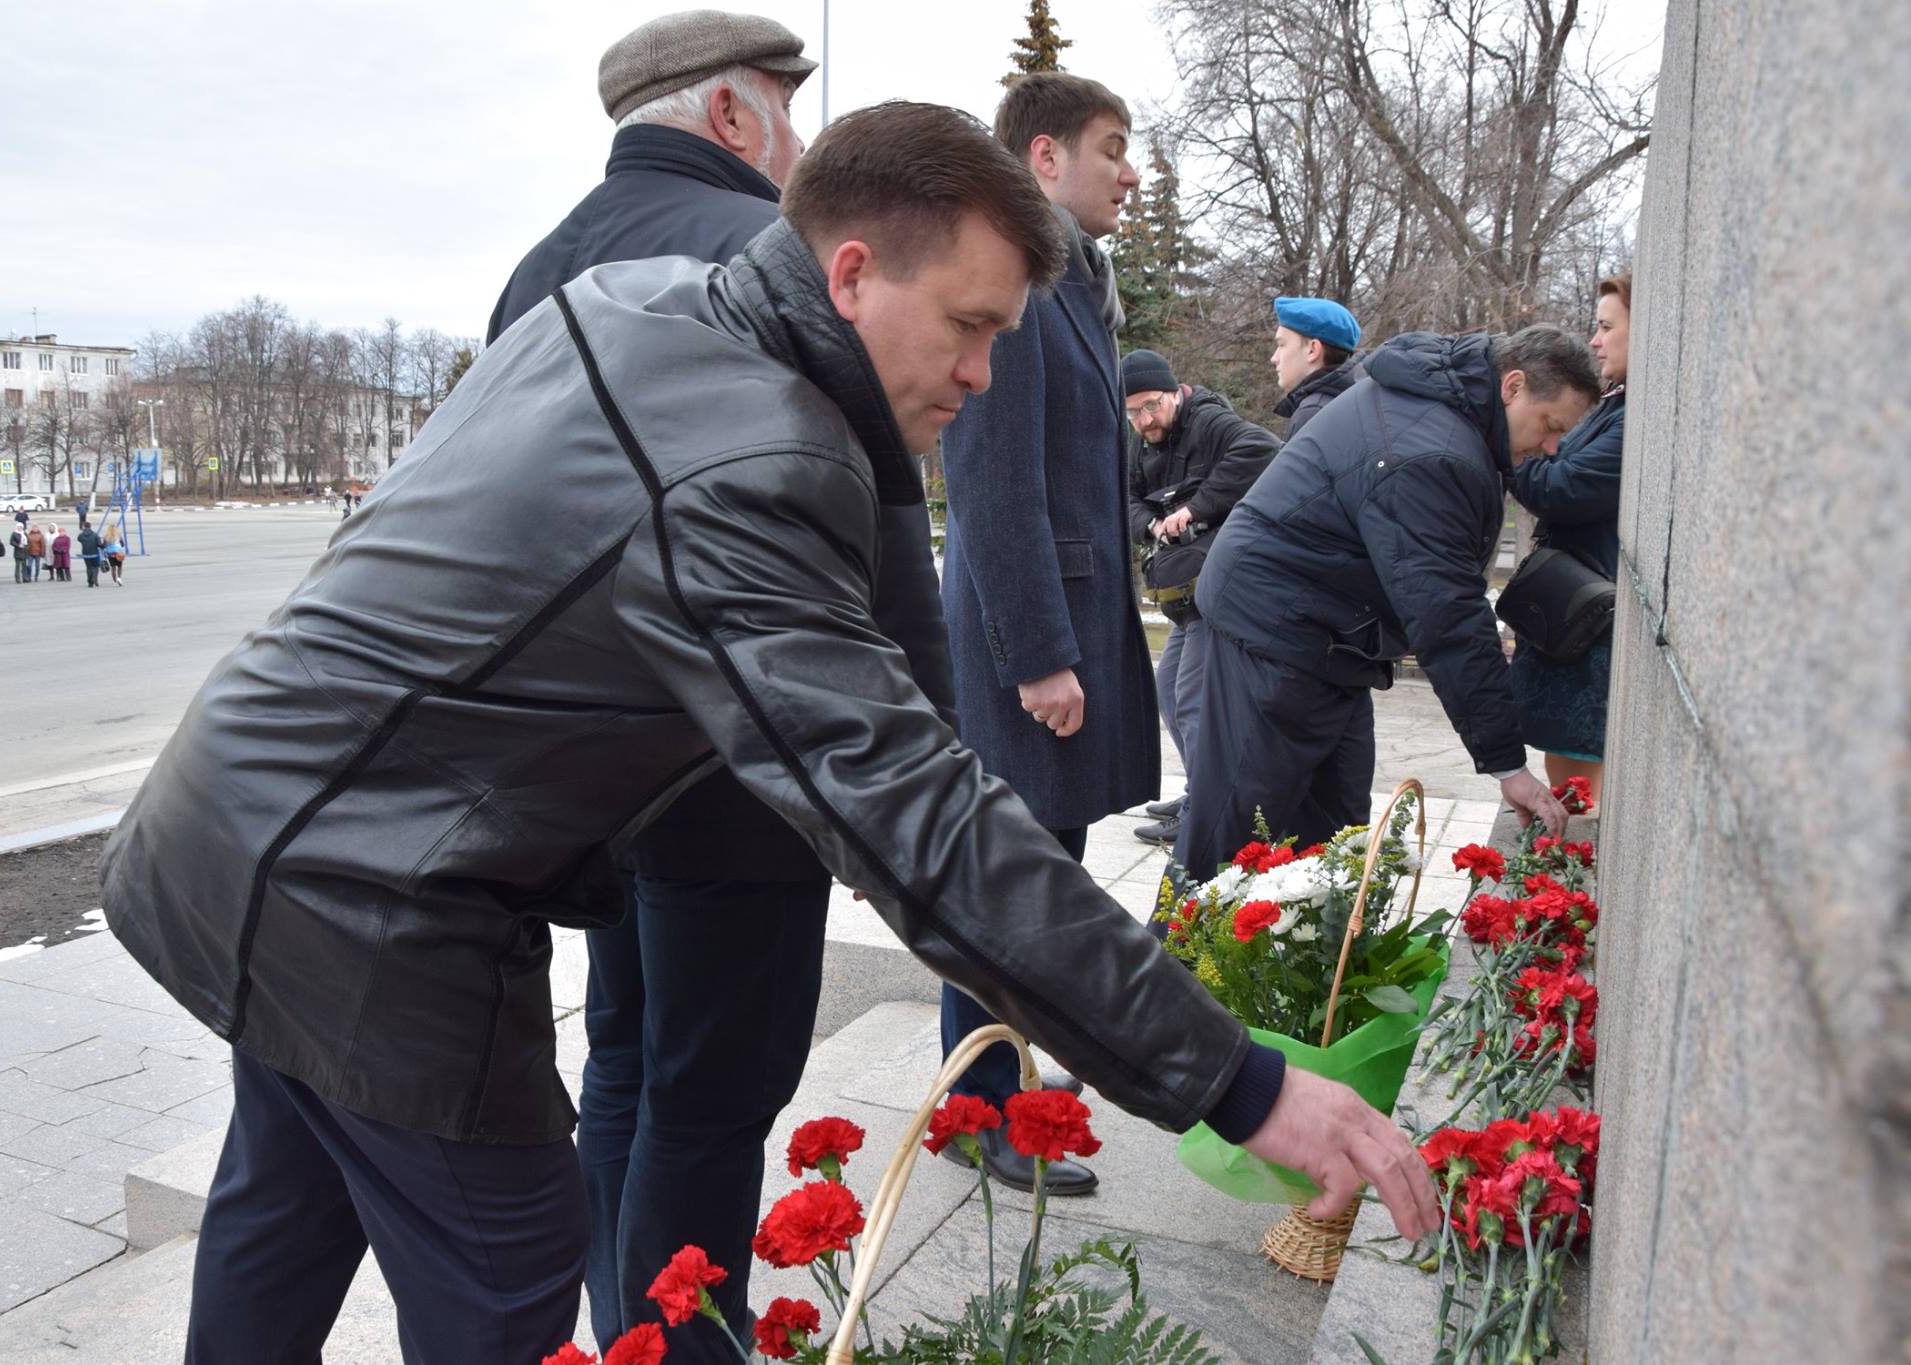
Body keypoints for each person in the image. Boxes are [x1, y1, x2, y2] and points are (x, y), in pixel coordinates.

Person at [99, 101, 1436, 1365]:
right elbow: (910, 818)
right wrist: (1237, 1081)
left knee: (284, 1202)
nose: (980, 374)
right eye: (969, 327)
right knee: (512, 1263)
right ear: (852, 271)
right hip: (367, 904)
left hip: (236, 817)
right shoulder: (754, 456)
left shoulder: (631, 305)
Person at [486, 14, 922, 1353]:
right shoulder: (764, 255)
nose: (797, 148)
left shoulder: (538, 268)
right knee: (713, 1103)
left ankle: (628, 1332)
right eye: (786, 120)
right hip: (744, 766)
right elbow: (875, 539)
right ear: (734, 120)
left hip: (600, 767)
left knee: (623, 1063)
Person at [933, 71, 1157, 1198]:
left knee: (1041, 874)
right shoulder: (1012, 283)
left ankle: (1006, 1076)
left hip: (1062, 627)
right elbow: (991, 485)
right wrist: (1036, 654)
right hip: (1027, 645)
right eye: (1110, 146)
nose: (1129, 168)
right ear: (1042, 157)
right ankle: (976, 1114)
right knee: (1003, 888)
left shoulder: (1076, 283)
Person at [1175, 327, 1600, 889]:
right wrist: (1507, 764)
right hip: (1274, 635)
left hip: (1331, 640)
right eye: (1551, 428)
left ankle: (1307, 970)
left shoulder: (1446, 412)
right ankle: (1162, 971)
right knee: (1230, 839)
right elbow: (1446, 614)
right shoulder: (1434, 452)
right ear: (1512, 386)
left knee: (1332, 846)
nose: (1550, 449)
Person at [1120, 348, 1281, 846]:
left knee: (1192, 699)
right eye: (1133, 412)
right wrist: (1149, 522)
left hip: (1222, 590)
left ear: (1174, 392)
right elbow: (1124, 499)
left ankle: (1209, 807)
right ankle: (1201, 790)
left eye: (1152, 406)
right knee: (1169, 692)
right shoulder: (1141, 443)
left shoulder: (1210, 420)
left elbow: (1265, 449)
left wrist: (1193, 508)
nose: (1144, 420)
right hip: (1187, 600)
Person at [1507, 274, 1629, 810]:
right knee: (1561, 765)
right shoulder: (1613, 406)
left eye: (1606, 327)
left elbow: (1562, 487)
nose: (1595, 340)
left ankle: (1557, 885)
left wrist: (1511, 451)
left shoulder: (1628, 420)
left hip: (1586, 619)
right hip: (1569, 611)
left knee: (1575, 796)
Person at [1270, 296, 1362, 440]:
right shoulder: (1356, 403)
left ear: (1313, 350)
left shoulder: (1313, 414)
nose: (1274, 358)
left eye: (1282, 345)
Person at [77, 522, 102, 588]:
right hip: (94, 554)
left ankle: (90, 582)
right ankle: (94, 579)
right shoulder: (95, 535)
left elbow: (79, 539)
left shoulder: (81, 535)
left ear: (84, 527)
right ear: (90, 526)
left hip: (85, 554)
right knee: (96, 567)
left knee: (88, 567)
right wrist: (104, 545)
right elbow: (99, 544)